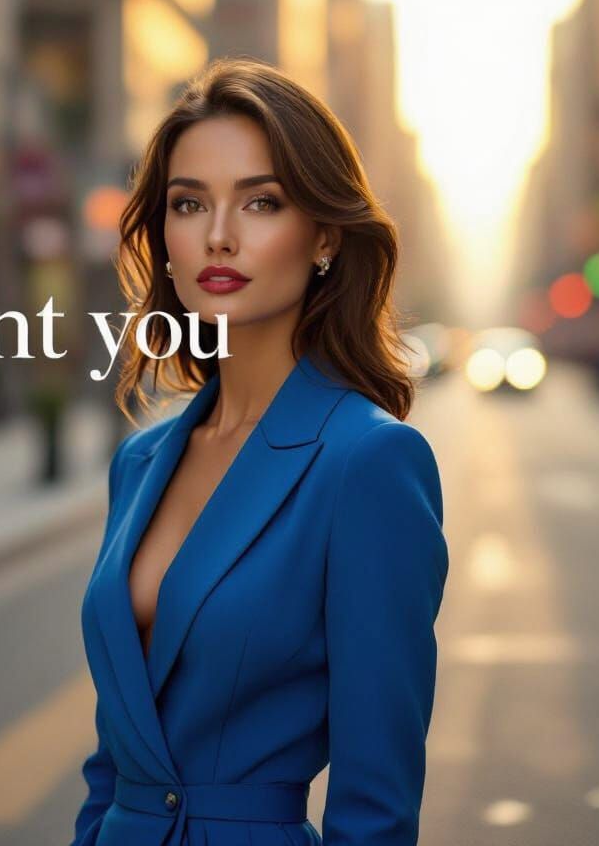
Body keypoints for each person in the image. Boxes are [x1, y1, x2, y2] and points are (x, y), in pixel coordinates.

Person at [70, 57, 450, 846]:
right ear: (163, 238)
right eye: (188, 203)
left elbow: (376, 803)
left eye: (261, 202)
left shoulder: (368, 464)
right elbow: (114, 757)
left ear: (322, 238)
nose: (218, 235)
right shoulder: (140, 465)